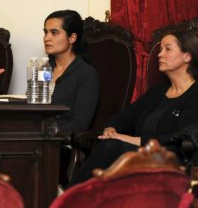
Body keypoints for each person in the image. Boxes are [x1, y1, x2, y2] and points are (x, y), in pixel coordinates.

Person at [67, 30, 198, 187]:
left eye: (167, 49)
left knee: (111, 146)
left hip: (171, 159)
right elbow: (125, 116)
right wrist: (111, 129)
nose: (160, 54)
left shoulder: (195, 94)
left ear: (187, 56)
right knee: (109, 145)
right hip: (140, 154)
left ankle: (67, 197)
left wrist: (125, 139)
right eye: (161, 49)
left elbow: (179, 138)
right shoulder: (157, 93)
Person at [44, 10, 99, 131]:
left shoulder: (86, 74)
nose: (46, 38)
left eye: (54, 33)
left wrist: (48, 134)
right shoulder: (43, 69)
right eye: (45, 32)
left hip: (61, 142)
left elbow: (80, 124)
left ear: (72, 38)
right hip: (34, 137)